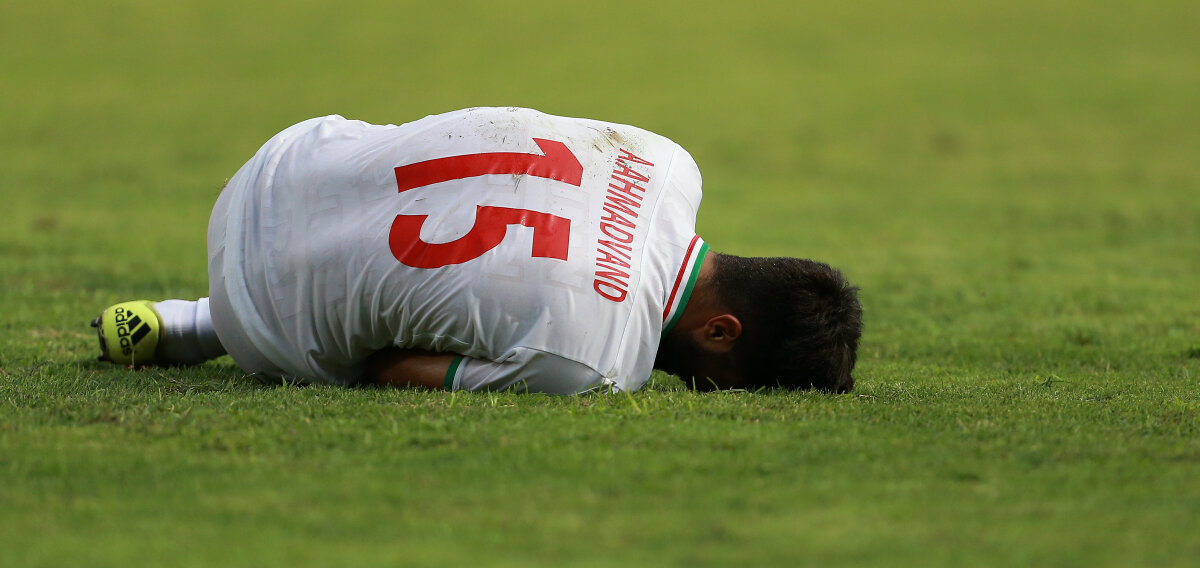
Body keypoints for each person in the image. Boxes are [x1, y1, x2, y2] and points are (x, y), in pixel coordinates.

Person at [93, 108, 862, 393]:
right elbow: (394, 369)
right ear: (722, 331)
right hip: (263, 320)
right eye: (719, 387)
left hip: (281, 161)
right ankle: (207, 323)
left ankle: (184, 323)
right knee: (379, 329)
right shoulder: (598, 366)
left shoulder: (668, 161)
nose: (699, 393)